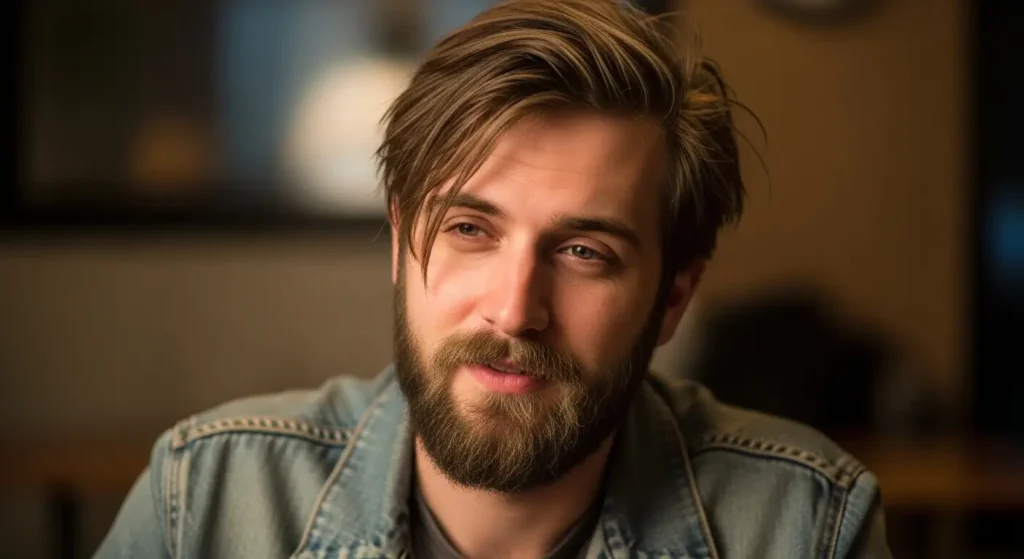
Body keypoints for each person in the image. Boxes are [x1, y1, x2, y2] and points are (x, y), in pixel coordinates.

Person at [97, 1, 891, 557]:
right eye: (470, 230)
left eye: (585, 251)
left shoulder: (804, 525)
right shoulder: (206, 497)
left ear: (674, 294)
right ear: (403, 241)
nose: (514, 310)